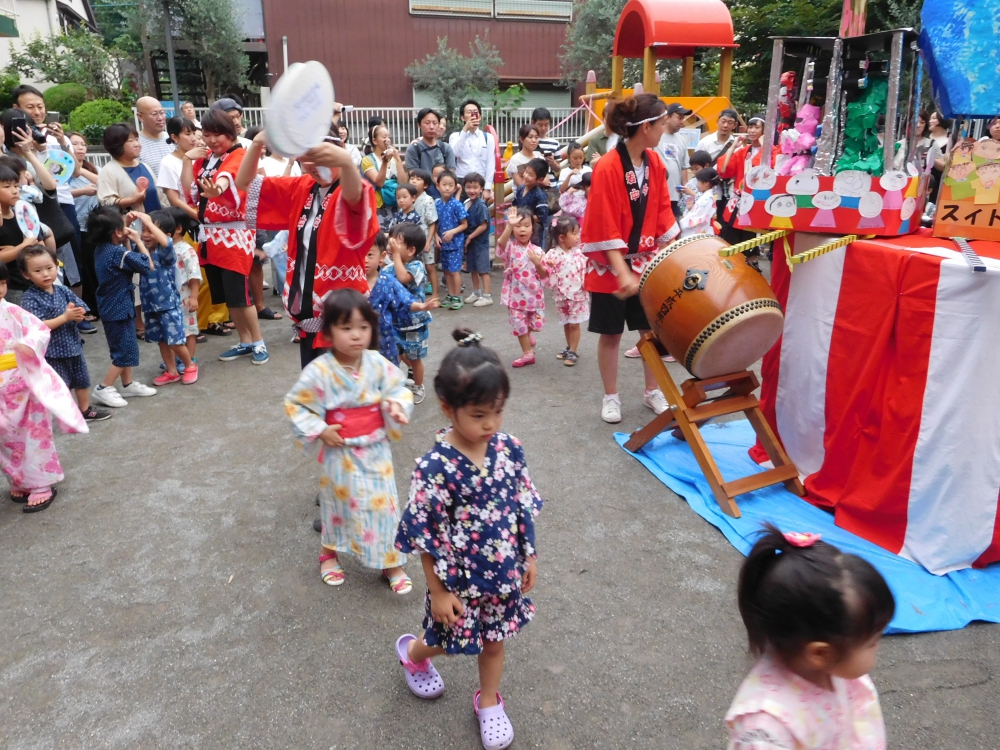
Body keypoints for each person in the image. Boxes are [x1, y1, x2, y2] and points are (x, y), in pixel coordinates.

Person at [394, 328, 542, 750]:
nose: (491, 423)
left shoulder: (509, 449)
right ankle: (413, 655)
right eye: (478, 415)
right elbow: (425, 535)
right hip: (458, 582)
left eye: (497, 411)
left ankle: (490, 700)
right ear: (448, 408)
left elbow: (521, 506)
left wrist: (528, 556)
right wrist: (437, 592)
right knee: (447, 641)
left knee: (493, 642)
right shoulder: (434, 468)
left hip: (504, 576)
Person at [284, 289, 415, 593]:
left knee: (383, 506)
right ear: (328, 332)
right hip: (338, 450)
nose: (356, 335)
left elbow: (398, 389)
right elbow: (296, 404)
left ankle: (390, 562)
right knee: (337, 504)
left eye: (363, 327)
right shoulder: (319, 370)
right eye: (346, 328)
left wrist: (396, 405)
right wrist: (319, 428)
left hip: (375, 448)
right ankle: (328, 553)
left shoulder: (378, 364)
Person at [726, 525, 894, 749]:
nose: (878, 647)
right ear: (819, 653)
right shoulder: (767, 730)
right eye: (872, 642)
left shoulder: (835, 669)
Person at [236, 129, 379, 368]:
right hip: (307, 318)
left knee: (345, 396)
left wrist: (345, 162)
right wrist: (258, 143)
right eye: (306, 162)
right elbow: (245, 183)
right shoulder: (302, 187)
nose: (313, 168)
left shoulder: (353, 189)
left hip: (343, 319)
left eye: (320, 160)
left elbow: (355, 197)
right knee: (317, 393)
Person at [581, 93, 680, 423]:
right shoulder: (608, 166)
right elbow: (602, 221)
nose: (666, 126)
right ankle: (611, 396)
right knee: (611, 335)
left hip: (646, 263)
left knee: (650, 332)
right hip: (611, 265)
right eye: (662, 121)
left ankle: (653, 390)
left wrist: (671, 254)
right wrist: (622, 271)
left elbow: (664, 211)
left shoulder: (656, 162)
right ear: (646, 127)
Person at [181, 109, 269, 365]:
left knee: (241, 295)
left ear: (229, 132)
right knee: (229, 297)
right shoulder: (205, 159)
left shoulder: (240, 155)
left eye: (216, 134)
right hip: (210, 235)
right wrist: (187, 160)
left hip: (234, 234)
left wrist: (216, 188)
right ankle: (244, 341)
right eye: (206, 135)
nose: (211, 140)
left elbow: (227, 178)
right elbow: (189, 190)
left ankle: (258, 341)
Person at [0, 262, 89, 512]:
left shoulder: (12, 311)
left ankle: (40, 484)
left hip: (23, 383)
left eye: (3, 283)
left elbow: (39, 331)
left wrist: (27, 346)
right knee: (5, 438)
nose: (0, 289)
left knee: (32, 435)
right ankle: (19, 480)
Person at [18, 244, 110, 421]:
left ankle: (84, 410)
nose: (45, 274)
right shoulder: (29, 298)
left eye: (49, 268)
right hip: (51, 352)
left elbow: (80, 309)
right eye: (38, 270)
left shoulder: (62, 290)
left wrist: (78, 315)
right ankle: (67, 414)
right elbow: (37, 326)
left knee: (81, 380)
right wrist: (66, 317)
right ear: (26, 274)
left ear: (56, 265)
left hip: (73, 345)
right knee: (61, 384)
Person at [87, 206, 159, 408]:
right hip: (119, 306)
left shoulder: (103, 250)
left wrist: (125, 240)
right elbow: (147, 265)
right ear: (116, 232)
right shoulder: (118, 253)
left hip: (112, 305)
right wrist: (136, 240)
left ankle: (127, 384)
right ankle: (103, 388)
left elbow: (128, 260)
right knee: (124, 351)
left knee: (123, 345)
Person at [137, 210, 198, 385]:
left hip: (168, 304)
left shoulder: (167, 252)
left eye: (150, 230)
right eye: (144, 230)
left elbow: (166, 242)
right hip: (151, 305)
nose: (145, 235)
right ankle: (172, 371)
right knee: (162, 341)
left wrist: (148, 221)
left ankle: (189, 365)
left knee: (175, 341)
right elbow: (130, 240)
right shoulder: (144, 250)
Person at [365, 234, 439, 366]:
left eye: (370, 255)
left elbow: (404, 300)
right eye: (360, 254)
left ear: (382, 257)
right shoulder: (352, 281)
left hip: (384, 338)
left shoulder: (387, 280)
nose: (364, 259)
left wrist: (422, 306)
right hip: (360, 339)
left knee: (386, 373)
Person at [385, 223, 433, 403]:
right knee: (395, 351)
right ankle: (404, 375)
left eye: (397, 244)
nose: (391, 248)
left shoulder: (417, 266)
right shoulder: (390, 267)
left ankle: (418, 386)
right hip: (395, 321)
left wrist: (395, 256)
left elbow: (403, 277)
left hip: (415, 322)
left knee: (415, 357)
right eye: (391, 243)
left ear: (412, 250)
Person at [0, 160, 57, 306]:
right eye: (7, 187)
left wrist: (34, 245)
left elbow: (38, 244)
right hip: (12, 287)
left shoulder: (21, 214)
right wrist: (23, 247)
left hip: (32, 281)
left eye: (16, 186)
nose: (14, 191)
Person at [496, 207, 546, 368]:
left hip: (534, 296)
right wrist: (509, 226)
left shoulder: (538, 251)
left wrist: (538, 263)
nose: (522, 229)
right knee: (519, 324)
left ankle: (528, 335)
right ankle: (528, 354)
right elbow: (501, 245)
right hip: (515, 296)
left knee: (534, 325)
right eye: (518, 226)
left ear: (533, 228)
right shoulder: (511, 247)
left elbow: (545, 275)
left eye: (526, 225)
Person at [540, 215, 589, 366]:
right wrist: (547, 265)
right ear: (562, 237)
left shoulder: (580, 252)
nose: (577, 237)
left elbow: (588, 268)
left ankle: (573, 350)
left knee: (574, 323)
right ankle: (569, 347)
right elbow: (545, 273)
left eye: (578, 233)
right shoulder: (552, 254)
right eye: (574, 233)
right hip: (561, 295)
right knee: (567, 323)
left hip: (578, 294)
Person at [717, 116, 767, 248]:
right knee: (730, 240)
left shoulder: (771, 151)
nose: (752, 130)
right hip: (738, 201)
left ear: (764, 131)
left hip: (757, 202)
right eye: (750, 127)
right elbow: (723, 169)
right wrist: (733, 146)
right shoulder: (743, 152)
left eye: (757, 127)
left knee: (748, 244)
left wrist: (764, 146)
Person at [68, 132, 101, 316]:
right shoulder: (62, 170)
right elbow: (59, 194)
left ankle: (100, 305)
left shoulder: (93, 168)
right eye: (74, 144)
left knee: (97, 267)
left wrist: (81, 170)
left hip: (95, 226)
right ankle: (89, 307)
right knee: (84, 269)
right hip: (76, 226)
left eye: (83, 144)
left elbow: (103, 183)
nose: (80, 147)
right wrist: (82, 191)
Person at [97, 122, 161, 214]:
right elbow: (106, 202)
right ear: (116, 145)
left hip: (157, 222)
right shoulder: (109, 171)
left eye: (137, 139)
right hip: (132, 225)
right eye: (130, 141)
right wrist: (132, 200)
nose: (137, 144)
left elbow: (160, 196)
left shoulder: (144, 166)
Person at [165, 207, 201, 363]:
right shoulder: (165, 248)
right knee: (173, 329)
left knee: (189, 330)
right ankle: (177, 358)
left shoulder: (186, 250)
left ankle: (190, 359)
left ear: (178, 229)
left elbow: (194, 275)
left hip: (185, 297)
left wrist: (194, 297)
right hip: (169, 298)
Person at [361, 124, 408, 228]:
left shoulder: (394, 159)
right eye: (384, 137)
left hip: (395, 204)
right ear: (374, 141)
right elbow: (379, 182)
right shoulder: (367, 160)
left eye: (388, 137)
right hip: (377, 205)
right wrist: (385, 161)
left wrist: (398, 160)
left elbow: (403, 183)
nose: (387, 140)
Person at [434, 170, 468, 310]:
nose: (447, 188)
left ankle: (457, 296)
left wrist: (453, 232)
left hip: (455, 244)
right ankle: (450, 294)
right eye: (444, 184)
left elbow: (465, 224)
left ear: (455, 187)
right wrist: (436, 236)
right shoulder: (436, 204)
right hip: (443, 244)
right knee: (446, 271)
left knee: (455, 271)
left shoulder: (457, 204)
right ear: (438, 186)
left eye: (450, 185)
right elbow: (434, 224)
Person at [449, 100, 496, 202]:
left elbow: (490, 163)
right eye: (469, 112)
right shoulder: (455, 136)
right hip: (461, 181)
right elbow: (455, 154)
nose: (472, 115)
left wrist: (487, 188)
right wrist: (465, 130)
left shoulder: (488, 137)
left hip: (480, 182)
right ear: (462, 117)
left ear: (479, 116)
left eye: (475, 112)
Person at [405, 109, 456, 200]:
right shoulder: (413, 149)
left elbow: (451, 173)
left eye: (435, 123)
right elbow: (414, 176)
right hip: (421, 197)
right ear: (419, 125)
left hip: (444, 196)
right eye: (427, 123)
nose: (431, 127)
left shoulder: (446, 148)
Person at [656, 102, 693, 219]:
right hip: (657, 196)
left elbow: (683, 167)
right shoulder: (656, 136)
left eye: (683, 118)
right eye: (679, 117)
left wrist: (684, 190)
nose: (681, 121)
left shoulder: (681, 140)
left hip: (675, 196)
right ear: (667, 117)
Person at [135, 96, 173, 205]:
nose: (160, 118)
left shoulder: (173, 139)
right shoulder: (136, 144)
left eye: (162, 113)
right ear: (140, 117)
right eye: (154, 114)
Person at [462, 173, 492, 307]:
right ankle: (476, 292)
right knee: (472, 268)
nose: (471, 190)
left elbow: (483, 225)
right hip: (471, 242)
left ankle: (487, 295)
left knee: (483, 269)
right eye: (468, 187)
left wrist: (470, 236)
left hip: (480, 242)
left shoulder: (481, 205)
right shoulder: (466, 203)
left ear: (481, 189)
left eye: (475, 187)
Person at [409, 168, 439, 297]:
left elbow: (432, 223)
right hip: (411, 238)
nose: (414, 181)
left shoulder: (428, 200)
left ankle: (435, 294)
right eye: (412, 178)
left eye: (418, 179)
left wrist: (428, 241)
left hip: (426, 237)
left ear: (425, 185)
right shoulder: (409, 198)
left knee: (430, 266)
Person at [511, 158, 549, 246]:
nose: (526, 176)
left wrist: (525, 219)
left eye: (530, 175)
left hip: (533, 233)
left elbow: (542, 216)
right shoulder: (521, 188)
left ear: (539, 180)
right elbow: (515, 205)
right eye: (526, 172)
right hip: (518, 228)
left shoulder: (539, 195)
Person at [679, 167, 721, 238]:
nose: (697, 184)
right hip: (702, 232)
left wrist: (680, 223)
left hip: (701, 233)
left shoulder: (707, 199)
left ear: (706, 183)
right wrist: (690, 209)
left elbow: (698, 218)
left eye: (698, 181)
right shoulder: (706, 197)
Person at [532, 107, 561, 179]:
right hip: (533, 183)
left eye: (546, 124)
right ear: (533, 123)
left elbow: (557, 169)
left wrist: (552, 162)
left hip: (551, 185)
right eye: (540, 125)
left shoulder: (555, 143)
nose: (543, 128)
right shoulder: (528, 142)